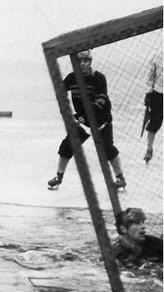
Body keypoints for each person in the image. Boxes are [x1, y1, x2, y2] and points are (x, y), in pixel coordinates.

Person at [47, 50, 126, 190]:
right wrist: (66, 114)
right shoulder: (71, 78)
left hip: (101, 120)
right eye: (79, 61)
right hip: (82, 119)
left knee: (108, 149)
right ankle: (59, 177)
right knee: (66, 146)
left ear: (90, 62)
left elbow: (101, 102)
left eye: (85, 61)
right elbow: (60, 93)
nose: (82, 64)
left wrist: (85, 117)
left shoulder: (99, 78)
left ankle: (120, 178)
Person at [143, 50, 163, 164]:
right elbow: (150, 76)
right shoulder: (156, 56)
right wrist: (148, 93)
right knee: (154, 123)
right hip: (158, 93)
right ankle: (149, 149)